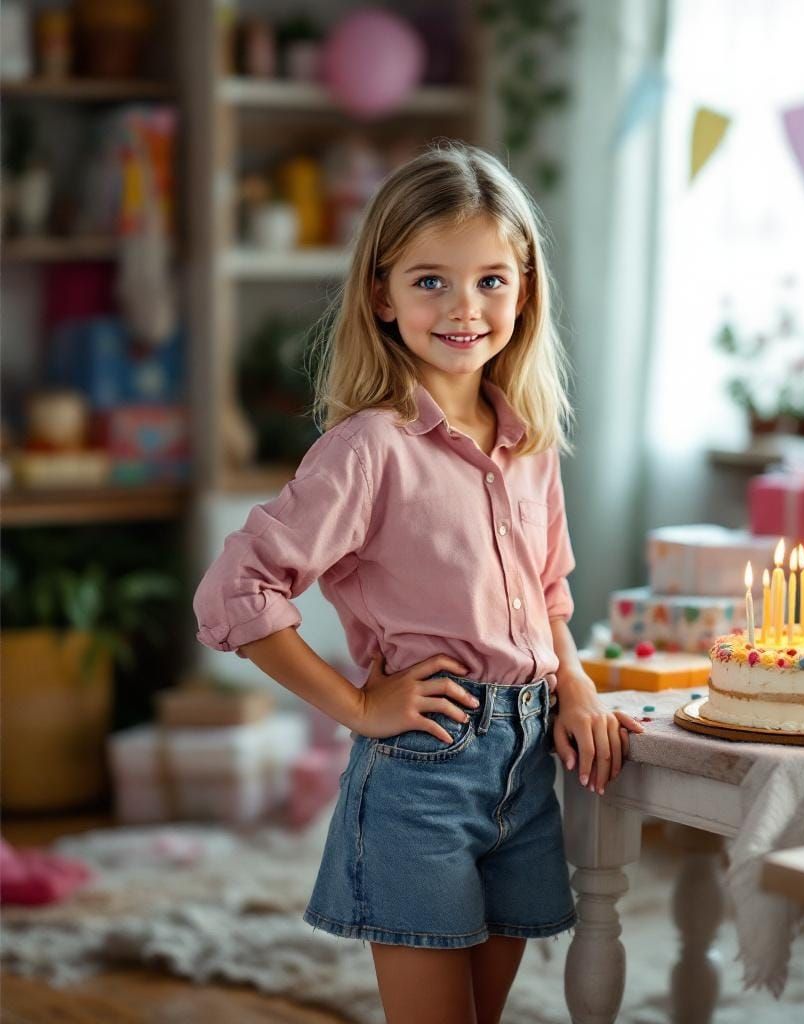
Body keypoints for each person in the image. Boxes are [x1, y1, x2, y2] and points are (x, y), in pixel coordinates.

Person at [193, 141, 644, 1024]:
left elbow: (549, 595)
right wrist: (358, 707)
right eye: (430, 280)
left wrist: (578, 685)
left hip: (526, 770)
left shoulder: (529, 442)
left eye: (490, 280)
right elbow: (235, 590)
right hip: (422, 776)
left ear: (524, 288)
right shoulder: (370, 448)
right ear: (382, 294)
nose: (464, 307)